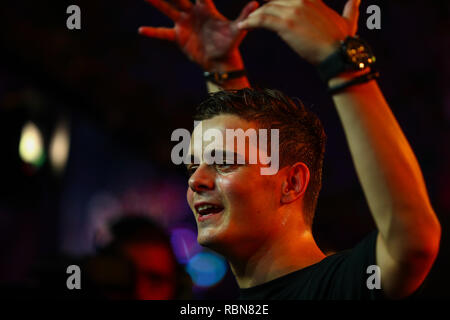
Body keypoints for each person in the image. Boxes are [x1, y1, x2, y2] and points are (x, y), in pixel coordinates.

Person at [139, 0, 441, 299]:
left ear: (292, 183)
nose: (194, 181)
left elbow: (412, 243)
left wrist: (343, 65)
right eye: (193, 167)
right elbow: (241, 138)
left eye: (223, 163)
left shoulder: (337, 288)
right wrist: (222, 69)